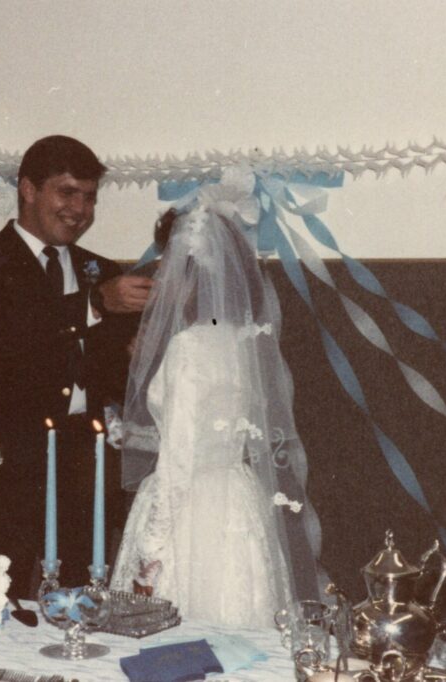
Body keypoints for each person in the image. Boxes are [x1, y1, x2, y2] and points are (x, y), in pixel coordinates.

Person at [0, 135, 151, 593]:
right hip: (8, 465)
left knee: (81, 603)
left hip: (84, 468)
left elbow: (108, 377)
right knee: (0, 602)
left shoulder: (102, 268)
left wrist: (137, 355)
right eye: (67, 192)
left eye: (90, 197)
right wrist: (95, 304)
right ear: (28, 189)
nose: (80, 209)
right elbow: (2, 336)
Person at [110, 204, 322, 628]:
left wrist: (151, 548)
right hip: (234, 501)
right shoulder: (237, 341)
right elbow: (210, 435)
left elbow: (181, 458)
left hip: (189, 513)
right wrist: (131, 433)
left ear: (186, 275)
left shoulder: (188, 346)